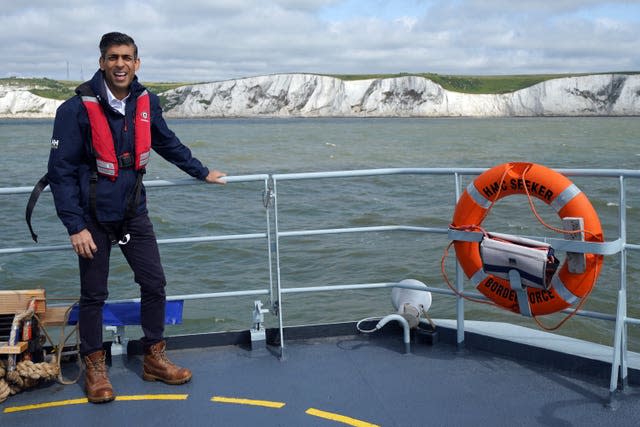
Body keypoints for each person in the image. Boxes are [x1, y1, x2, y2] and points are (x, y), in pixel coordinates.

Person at [47, 32, 226, 403]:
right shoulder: (74, 109)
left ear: (137, 63)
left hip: (133, 212)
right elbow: (61, 172)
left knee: (154, 283)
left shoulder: (146, 101)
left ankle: (154, 358)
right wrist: (75, 225)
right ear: (101, 62)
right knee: (94, 295)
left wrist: (201, 171)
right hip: (92, 218)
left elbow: (165, 141)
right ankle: (95, 367)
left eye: (127, 57)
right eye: (113, 57)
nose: (120, 64)